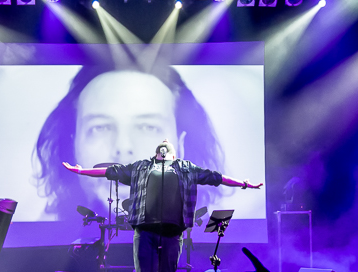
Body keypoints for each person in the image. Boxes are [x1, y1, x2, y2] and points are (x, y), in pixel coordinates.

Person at [65, 140, 262, 272]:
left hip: (172, 233)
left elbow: (216, 177)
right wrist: (81, 171)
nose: (165, 141)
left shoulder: (186, 168)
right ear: (156, 152)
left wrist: (244, 184)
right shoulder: (141, 167)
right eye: (162, 142)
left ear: (173, 154)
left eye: (168, 142)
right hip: (145, 232)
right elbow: (111, 171)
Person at [34, 64, 226, 220]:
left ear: (181, 148)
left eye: (148, 127)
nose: (123, 148)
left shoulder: (216, 238)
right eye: (100, 127)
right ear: (73, 146)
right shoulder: (39, 241)